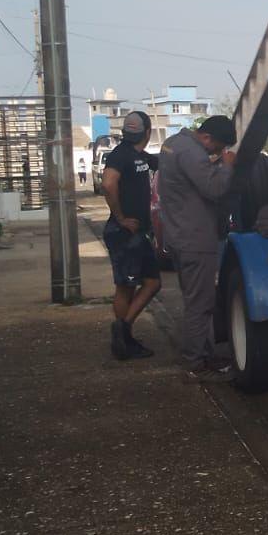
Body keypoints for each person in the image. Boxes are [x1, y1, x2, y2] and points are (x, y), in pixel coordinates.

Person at [158, 116, 237, 374]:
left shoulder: (173, 143)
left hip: (178, 235)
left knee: (195, 300)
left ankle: (204, 355)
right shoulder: (192, 152)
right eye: (218, 147)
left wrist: (212, 163)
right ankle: (196, 362)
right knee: (200, 305)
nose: (217, 152)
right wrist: (226, 166)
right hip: (195, 238)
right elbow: (215, 188)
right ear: (207, 137)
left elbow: (188, 180)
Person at [101, 111, 162, 360]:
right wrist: (120, 217)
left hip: (138, 233)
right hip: (124, 232)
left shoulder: (141, 156)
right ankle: (123, 339)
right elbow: (108, 183)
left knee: (152, 282)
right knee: (125, 287)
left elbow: (163, 162)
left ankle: (123, 329)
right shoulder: (120, 154)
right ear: (148, 132)